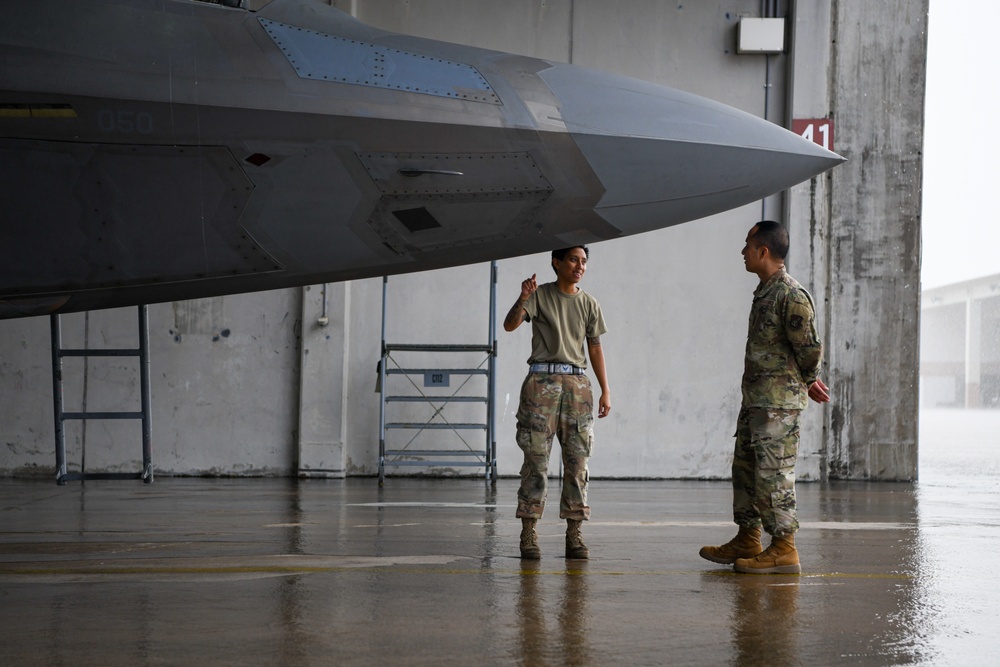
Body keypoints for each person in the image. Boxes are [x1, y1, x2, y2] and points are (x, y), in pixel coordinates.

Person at [699, 221, 830, 574]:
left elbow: (810, 349)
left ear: (763, 251)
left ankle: (784, 548)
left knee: (773, 475)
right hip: (757, 402)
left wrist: (809, 379)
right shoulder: (765, 292)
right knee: (746, 471)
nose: (743, 252)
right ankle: (748, 538)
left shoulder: (790, 294)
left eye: (747, 246)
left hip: (778, 407)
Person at [503, 245, 611, 560]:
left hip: (578, 386)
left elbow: (595, 349)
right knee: (536, 461)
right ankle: (529, 535)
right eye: (574, 260)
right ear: (557, 263)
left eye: (584, 261)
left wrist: (605, 389)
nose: (580, 266)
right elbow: (510, 325)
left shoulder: (590, 304)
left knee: (578, 463)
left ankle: (574, 536)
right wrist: (523, 296)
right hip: (541, 384)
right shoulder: (539, 296)